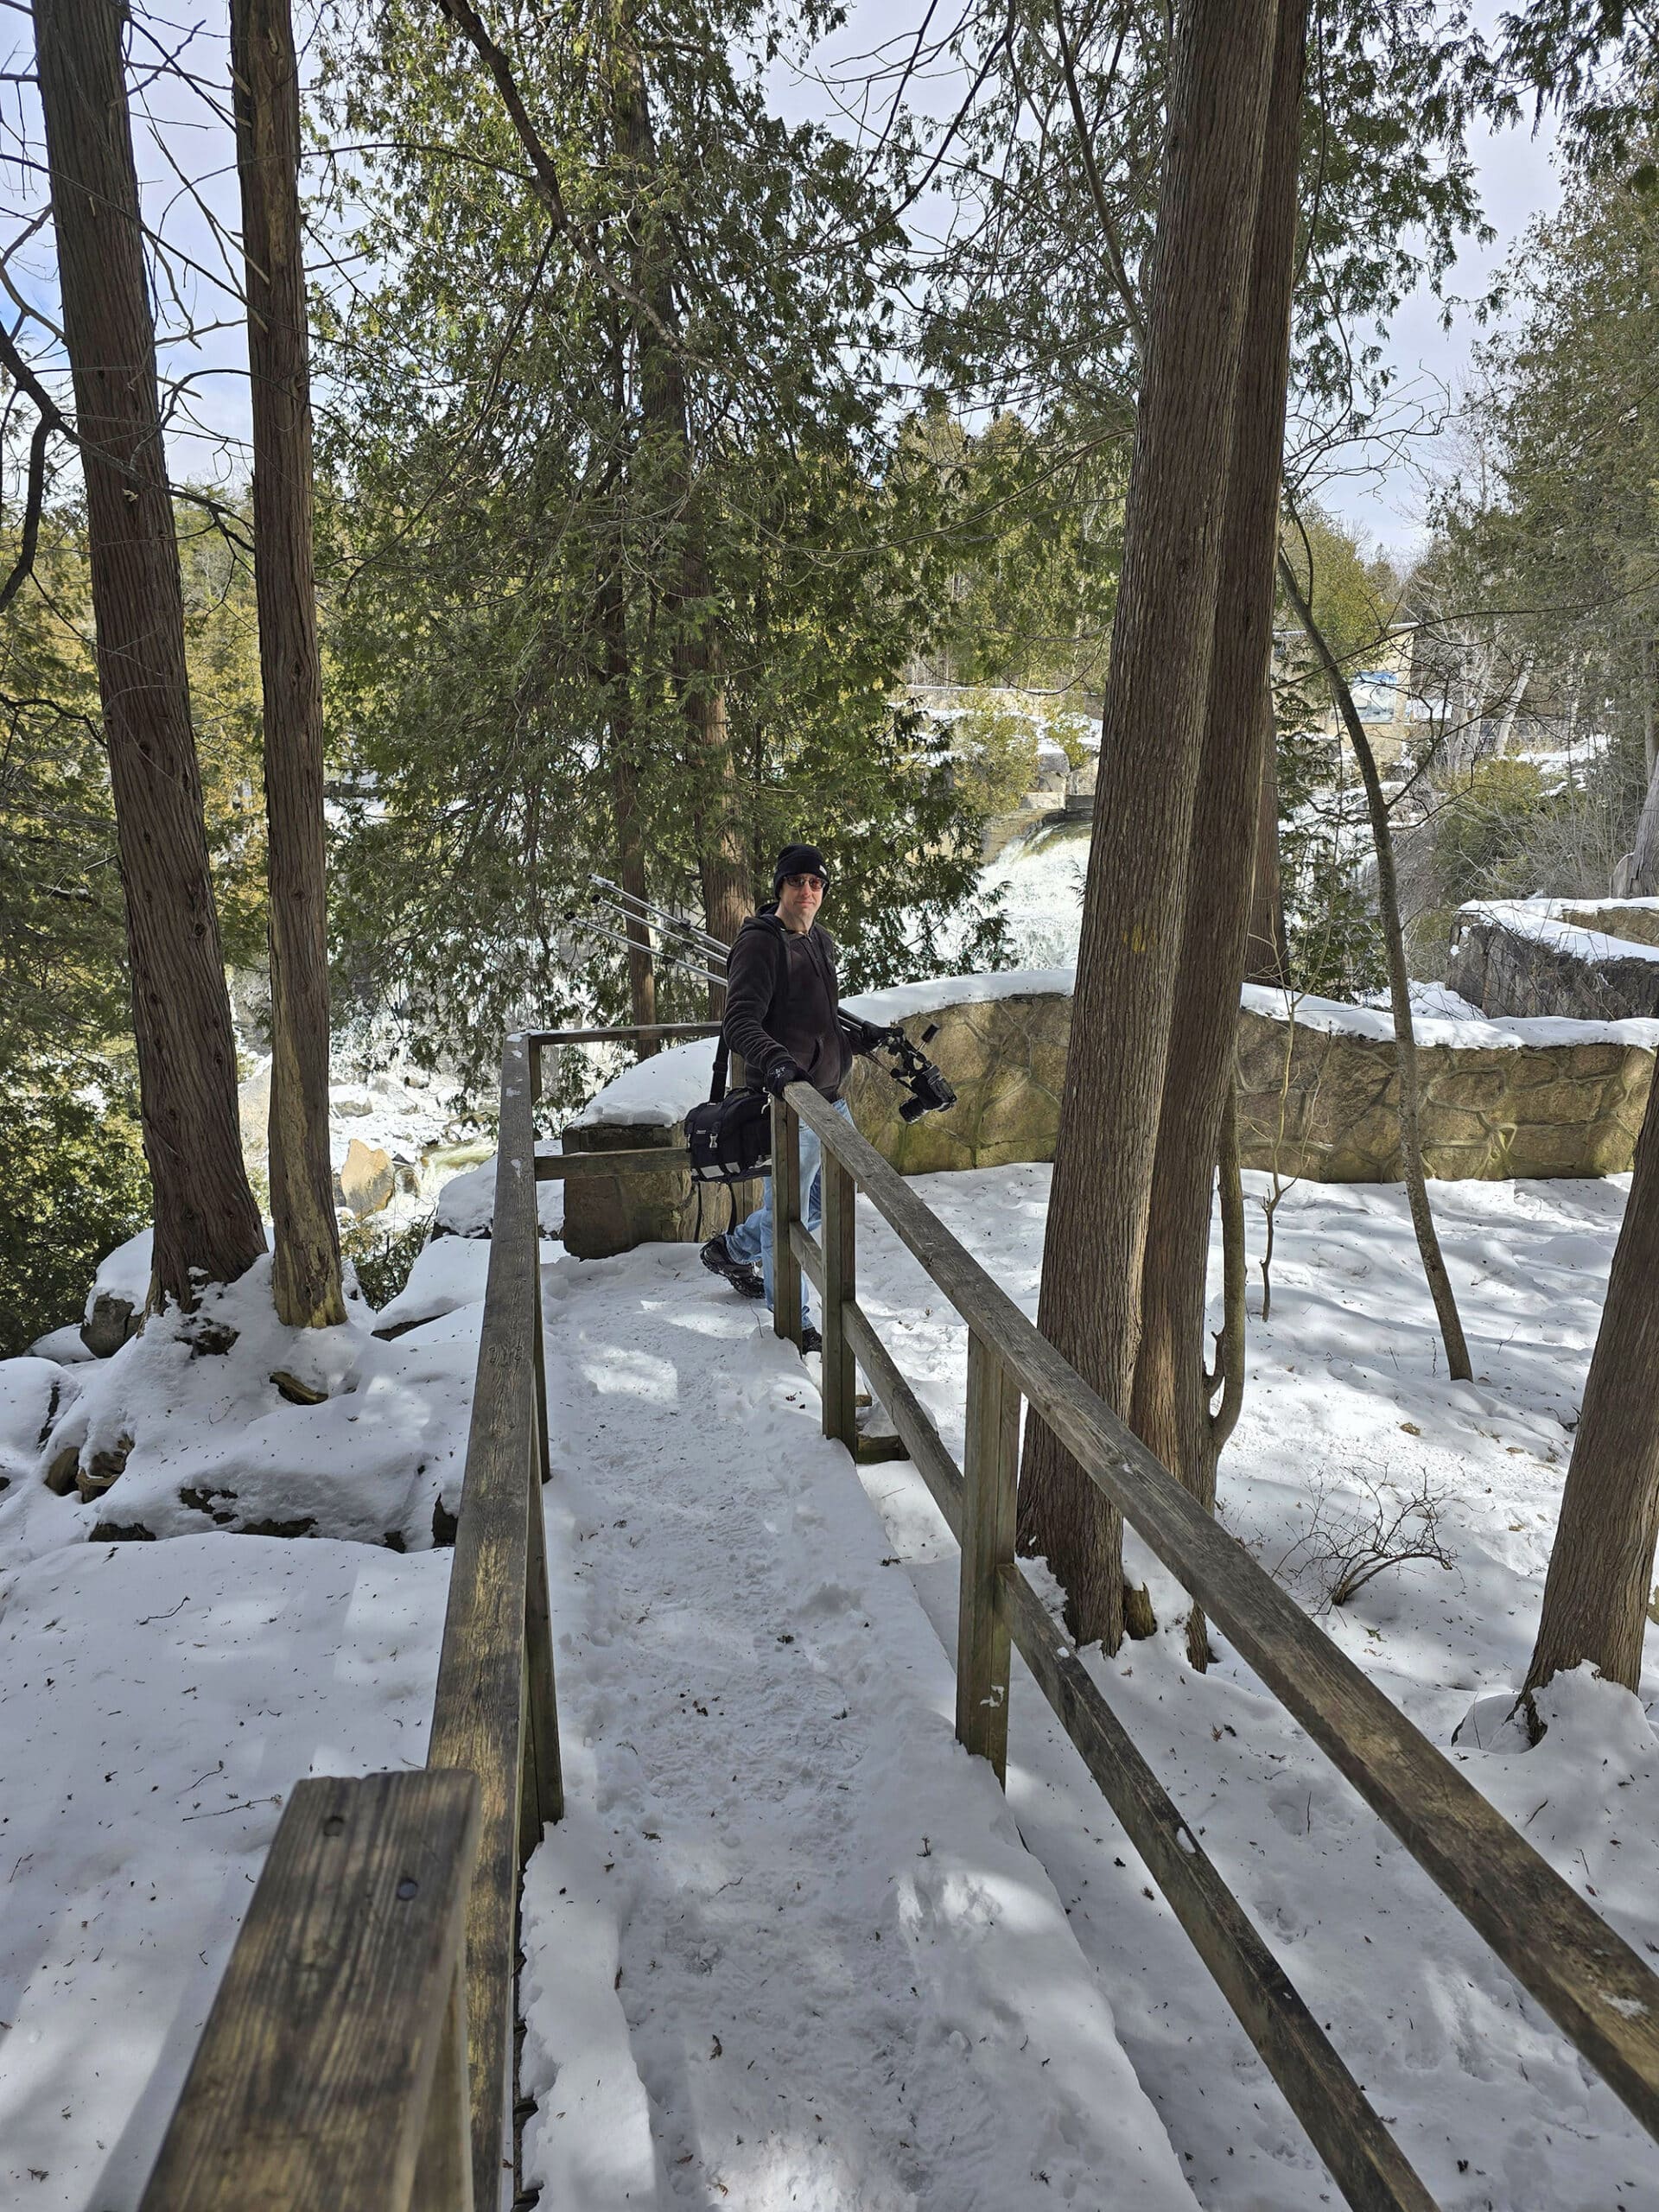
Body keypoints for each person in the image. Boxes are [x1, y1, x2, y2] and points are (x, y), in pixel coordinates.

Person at [700, 842, 879, 1351]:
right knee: (791, 1219)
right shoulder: (761, 943)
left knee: (820, 1204)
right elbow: (739, 1022)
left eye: (816, 883)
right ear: (780, 887)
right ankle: (794, 1327)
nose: (807, 891)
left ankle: (733, 1249)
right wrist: (776, 1062)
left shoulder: (820, 941)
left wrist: (857, 1041)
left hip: (831, 1102)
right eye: (797, 881)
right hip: (791, 1106)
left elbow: (821, 1022)